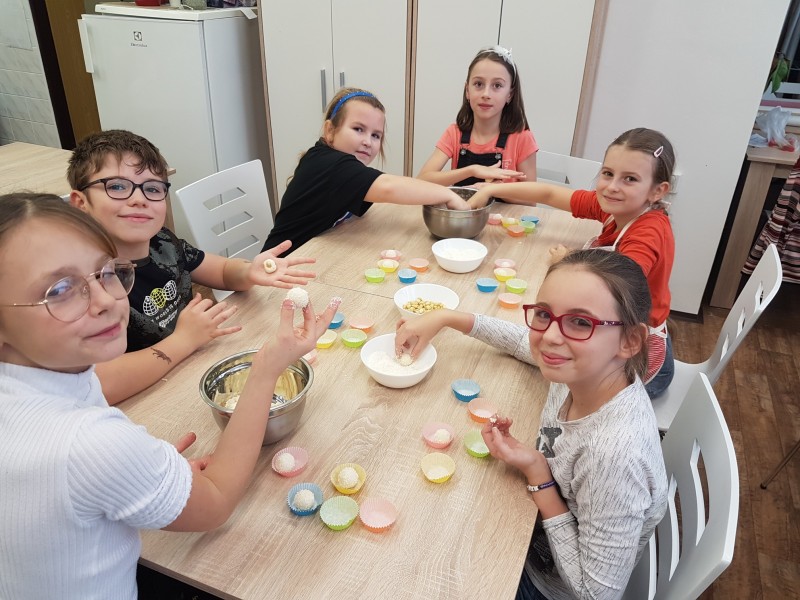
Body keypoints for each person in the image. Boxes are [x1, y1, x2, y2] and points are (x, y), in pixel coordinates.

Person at [0, 193, 340, 599]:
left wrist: (137, 472)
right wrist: (267, 366)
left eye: (106, 272)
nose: (107, 300)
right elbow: (215, 503)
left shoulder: (47, 377)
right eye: (59, 289)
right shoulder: (89, 445)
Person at [395, 249, 668, 599]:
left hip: (545, 584)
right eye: (543, 314)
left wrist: (540, 476)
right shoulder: (583, 369)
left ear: (630, 341)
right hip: (534, 527)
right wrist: (445, 318)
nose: (550, 336)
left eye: (580, 322)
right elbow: (519, 341)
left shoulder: (613, 455)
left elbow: (594, 594)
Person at [68, 129, 316, 405]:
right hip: (147, 402)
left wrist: (248, 272)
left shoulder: (163, 242)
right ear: (81, 204)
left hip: (192, 368)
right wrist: (184, 340)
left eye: (152, 188)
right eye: (116, 186)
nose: (139, 199)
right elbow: (101, 384)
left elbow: (221, 271)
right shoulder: (84, 284)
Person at [467, 127, 676, 399]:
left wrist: (565, 261)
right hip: (606, 336)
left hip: (638, 362)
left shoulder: (648, 232)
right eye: (608, 173)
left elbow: (616, 286)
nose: (612, 186)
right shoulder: (614, 206)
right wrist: (492, 189)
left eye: (630, 179)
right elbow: (547, 194)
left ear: (658, 191)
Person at [261, 87, 472, 256]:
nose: (367, 142)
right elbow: (388, 187)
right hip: (277, 267)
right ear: (330, 130)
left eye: (375, 135)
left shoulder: (339, 165)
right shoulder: (330, 164)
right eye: (358, 129)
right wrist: (448, 195)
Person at [417, 45, 538, 188]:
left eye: (497, 85)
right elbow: (422, 180)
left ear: (510, 95)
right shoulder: (454, 133)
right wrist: (472, 171)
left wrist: (495, 189)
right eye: (479, 84)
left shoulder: (522, 138)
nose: (486, 94)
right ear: (467, 91)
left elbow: (531, 197)